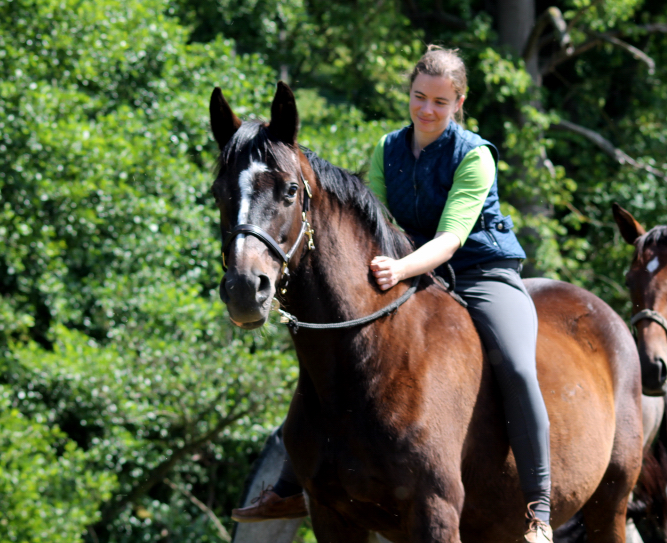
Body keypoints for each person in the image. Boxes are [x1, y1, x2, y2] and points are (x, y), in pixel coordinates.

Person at [231, 45, 552, 543]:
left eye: (440, 102)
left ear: (459, 103)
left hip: (478, 271)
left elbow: (451, 238)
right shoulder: (389, 147)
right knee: (332, 357)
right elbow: (374, 220)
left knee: (515, 365)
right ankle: (294, 485)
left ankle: (539, 509)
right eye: (420, 97)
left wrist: (400, 267)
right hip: (404, 264)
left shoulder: (476, 156)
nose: (427, 110)